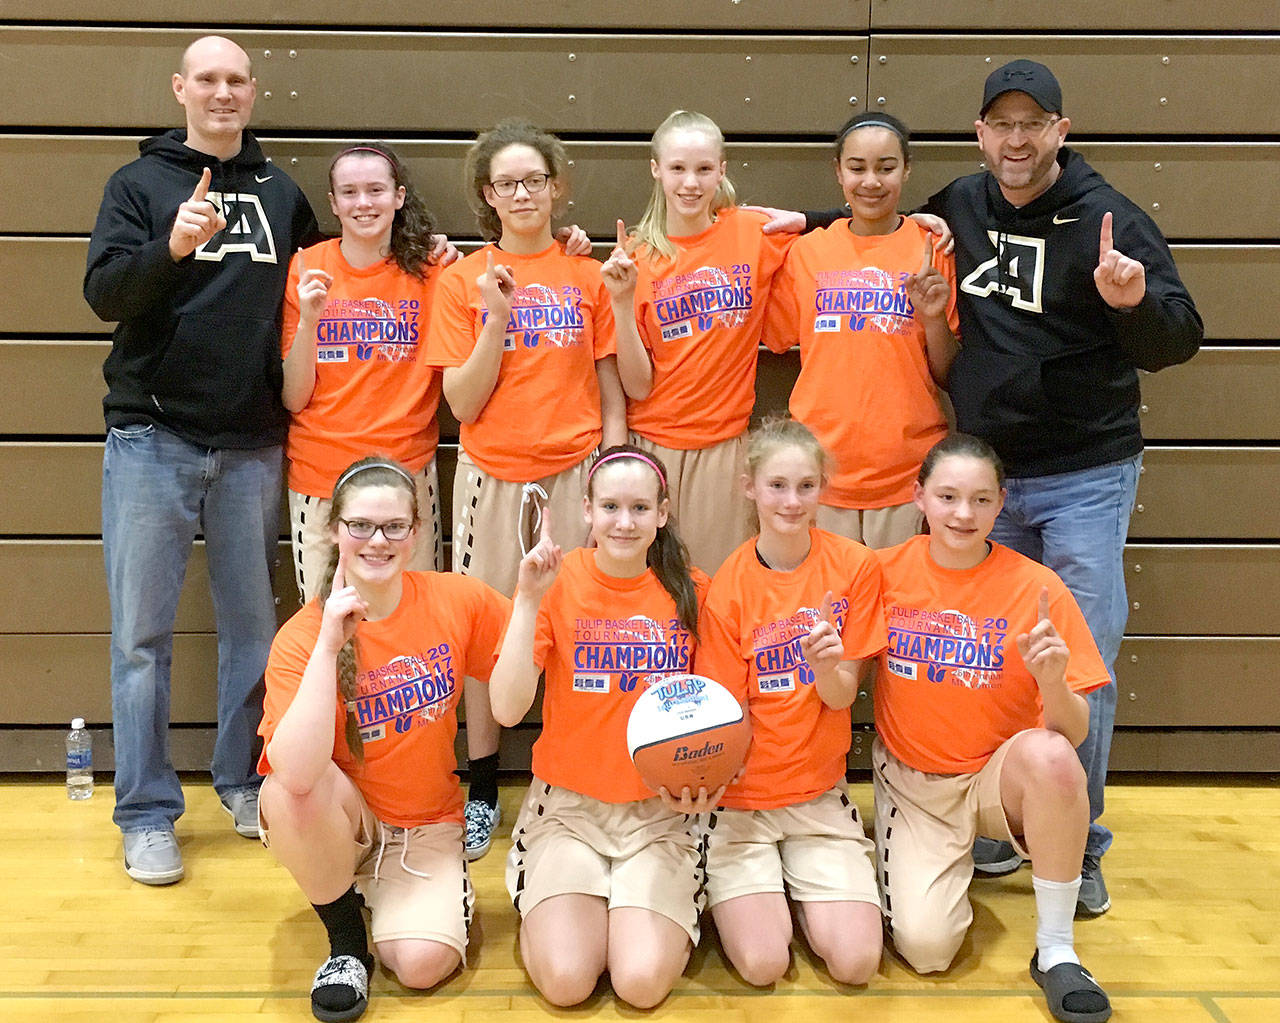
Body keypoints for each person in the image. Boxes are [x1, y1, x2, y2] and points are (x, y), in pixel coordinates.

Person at [758, 60, 1203, 913]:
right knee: (994, 657)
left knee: (1077, 663)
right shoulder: (960, 204)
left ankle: (1082, 838)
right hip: (985, 488)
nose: (1017, 139)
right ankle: (1006, 822)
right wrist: (814, 219)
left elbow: (1177, 337)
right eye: (1002, 124)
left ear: (1061, 133)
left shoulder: (1111, 218)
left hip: (1082, 475)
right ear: (980, 135)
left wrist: (1132, 301)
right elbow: (872, 225)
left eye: (1034, 123)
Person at [83, 34, 319, 884]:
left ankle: (242, 781)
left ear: (254, 93)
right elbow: (104, 294)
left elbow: (333, 279)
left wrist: (426, 254)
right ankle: (146, 813)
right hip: (153, 438)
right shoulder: (138, 184)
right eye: (207, 80)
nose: (222, 93)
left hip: (253, 441)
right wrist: (170, 248)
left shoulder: (283, 194)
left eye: (236, 81)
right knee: (141, 637)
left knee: (253, 633)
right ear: (181, 88)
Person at [279, 141, 500, 861]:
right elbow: (293, 393)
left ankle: (453, 788)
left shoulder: (434, 268)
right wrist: (311, 317)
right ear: (334, 203)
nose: (365, 202)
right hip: (320, 478)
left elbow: (505, 268)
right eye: (350, 192)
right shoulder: (307, 268)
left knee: (424, 632)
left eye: (378, 189)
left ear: (399, 196)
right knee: (328, 641)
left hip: (404, 480)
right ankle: (336, 798)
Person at [258, 458, 511, 1022]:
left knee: (422, 967)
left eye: (395, 526)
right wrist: (328, 647)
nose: (378, 540)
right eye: (361, 526)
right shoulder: (302, 637)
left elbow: (539, 645)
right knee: (287, 792)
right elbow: (296, 774)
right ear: (333, 530)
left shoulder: (455, 598)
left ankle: (388, 896)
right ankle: (347, 942)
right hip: (347, 821)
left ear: (417, 533)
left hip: (425, 824)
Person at [873, 433, 1113, 1023]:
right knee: (928, 952)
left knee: (1053, 756)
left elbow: (1074, 731)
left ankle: (1057, 949)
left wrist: (1053, 681)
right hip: (915, 785)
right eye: (948, 496)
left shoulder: (1038, 588)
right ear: (918, 498)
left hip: (994, 781)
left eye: (981, 500)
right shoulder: (880, 574)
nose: (963, 513)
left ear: (1001, 504)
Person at [489, 445, 712, 1008]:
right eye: (610, 506)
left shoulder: (694, 591)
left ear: (662, 513)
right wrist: (527, 602)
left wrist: (707, 784)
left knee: (638, 984)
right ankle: (558, 899)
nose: (624, 521)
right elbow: (506, 709)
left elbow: (718, 712)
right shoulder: (555, 583)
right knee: (566, 983)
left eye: (640, 508)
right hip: (569, 812)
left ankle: (630, 905)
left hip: (660, 815)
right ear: (587, 510)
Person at [696, 418, 886, 986]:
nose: (792, 500)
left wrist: (828, 665)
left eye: (806, 486)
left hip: (818, 800)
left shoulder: (855, 568)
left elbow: (842, 695)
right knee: (762, 965)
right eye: (777, 485)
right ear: (749, 487)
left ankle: (803, 895)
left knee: (855, 965)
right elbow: (727, 719)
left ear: (824, 488)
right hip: (743, 804)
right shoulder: (727, 586)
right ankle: (759, 892)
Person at [426, 120, 627, 597]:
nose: (522, 194)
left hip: (576, 474)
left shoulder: (590, 274)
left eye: (534, 180)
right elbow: (463, 407)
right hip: (492, 481)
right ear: (488, 195)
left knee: (575, 628)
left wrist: (613, 491)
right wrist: (496, 321)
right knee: (489, 632)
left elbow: (612, 399)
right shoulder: (461, 281)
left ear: (554, 187)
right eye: (506, 184)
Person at [762, 113, 958, 549]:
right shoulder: (807, 252)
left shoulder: (933, 249)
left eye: (886, 167)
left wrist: (932, 317)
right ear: (838, 171)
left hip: (908, 476)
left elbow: (948, 374)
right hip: (820, 474)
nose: (871, 181)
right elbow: (770, 336)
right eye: (857, 167)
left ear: (906, 170)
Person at [621, 110, 796, 574]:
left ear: (722, 169)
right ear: (656, 169)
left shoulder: (756, 233)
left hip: (724, 448)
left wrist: (925, 221)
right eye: (677, 168)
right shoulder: (638, 256)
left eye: (703, 169)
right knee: (650, 594)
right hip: (653, 445)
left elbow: (851, 231)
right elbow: (635, 386)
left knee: (717, 591)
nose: (691, 183)